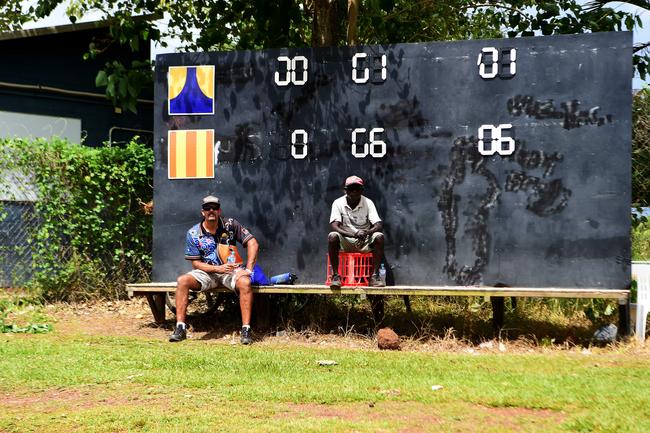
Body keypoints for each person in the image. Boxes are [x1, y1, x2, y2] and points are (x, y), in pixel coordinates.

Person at [169, 195, 259, 344]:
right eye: (207, 208)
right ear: (202, 212)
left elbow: (253, 243)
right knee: (182, 280)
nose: (211, 211)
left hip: (231, 271)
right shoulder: (193, 233)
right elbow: (196, 264)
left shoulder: (230, 224)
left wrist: (249, 270)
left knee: (245, 282)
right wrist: (218, 268)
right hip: (207, 272)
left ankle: (246, 330)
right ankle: (180, 328)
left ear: (219, 211)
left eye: (214, 208)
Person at [328, 175, 385, 289]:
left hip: (364, 240)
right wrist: (354, 234)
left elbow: (378, 224)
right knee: (332, 236)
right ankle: (336, 276)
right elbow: (334, 225)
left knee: (379, 236)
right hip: (346, 240)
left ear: (362, 190)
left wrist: (367, 232)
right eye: (351, 189)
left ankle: (374, 276)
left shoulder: (368, 202)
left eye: (357, 189)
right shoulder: (338, 203)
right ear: (345, 190)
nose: (354, 192)